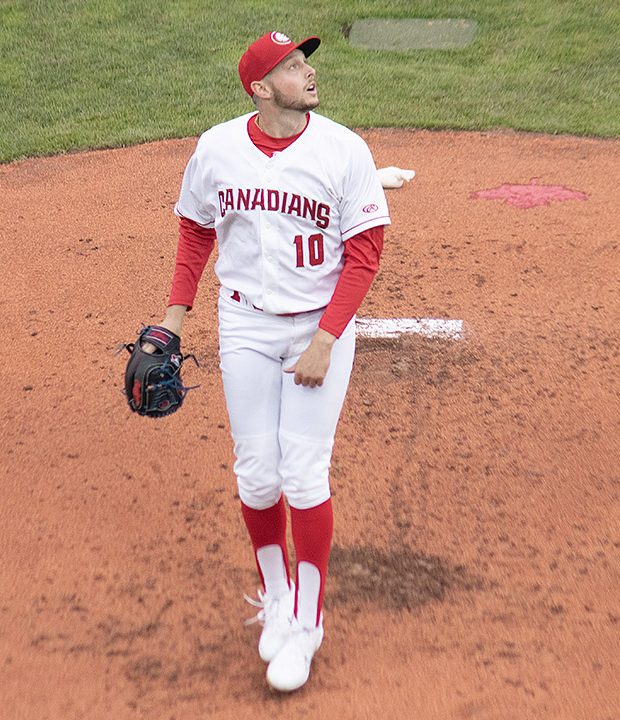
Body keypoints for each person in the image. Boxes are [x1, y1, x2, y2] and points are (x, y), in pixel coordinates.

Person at [154, 31, 390, 692]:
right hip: (247, 325)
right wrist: (176, 315)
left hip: (318, 326)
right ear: (260, 88)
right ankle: (277, 597)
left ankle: (308, 623)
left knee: (305, 472)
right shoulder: (218, 148)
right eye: (291, 67)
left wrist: (326, 339)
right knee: (258, 474)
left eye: (305, 61)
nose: (307, 73)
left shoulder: (344, 149)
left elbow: (365, 253)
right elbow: (196, 227)